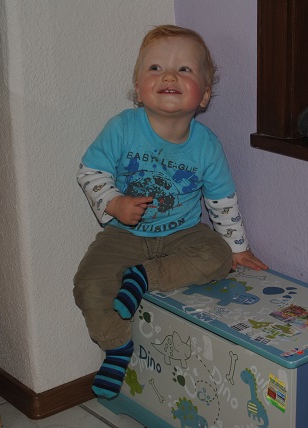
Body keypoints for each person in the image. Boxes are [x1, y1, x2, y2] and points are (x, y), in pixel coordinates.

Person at [73, 25, 267, 399]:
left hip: (183, 234)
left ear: (204, 94)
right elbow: (90, 171)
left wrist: (238, 248)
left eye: (184, 69)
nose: (168, 76)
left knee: (217, 256)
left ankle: (142, 278)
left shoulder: (206, 146)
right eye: (156, 68)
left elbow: (222, 200)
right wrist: (114, 203)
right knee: (89, 282)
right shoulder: (122, 128)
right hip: (125, 235)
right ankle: (116, 347)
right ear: (138, 87)